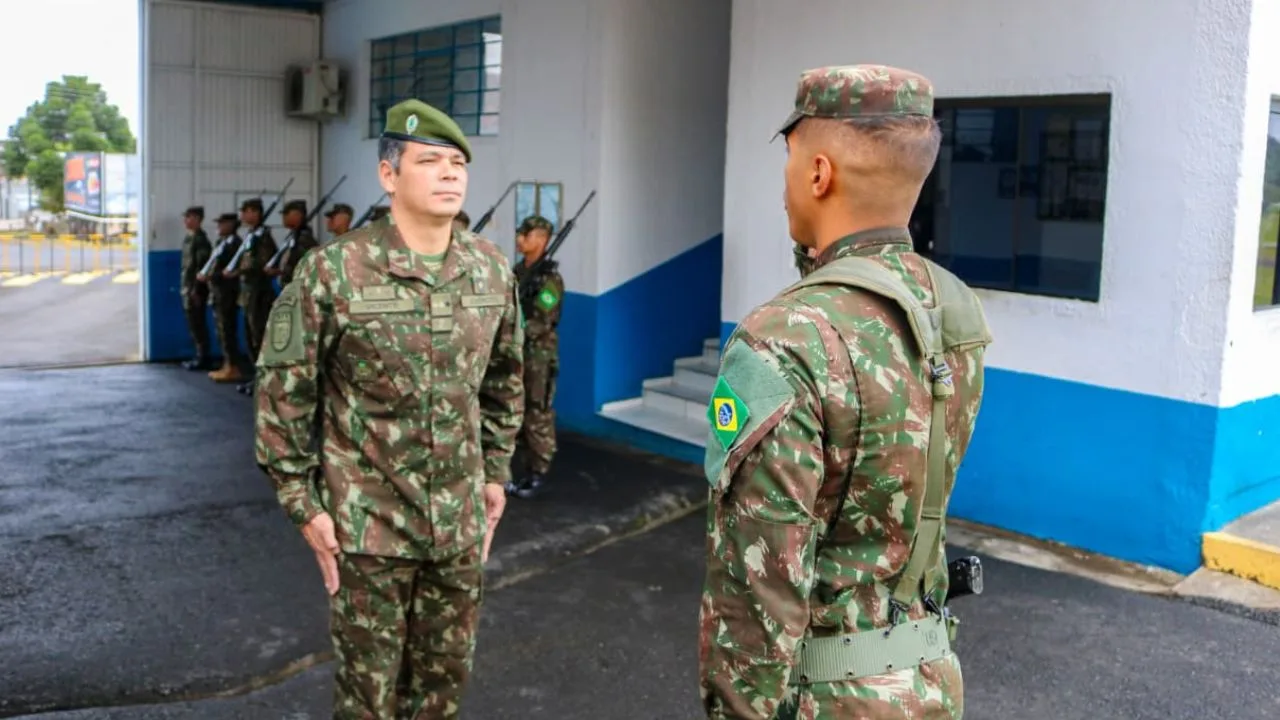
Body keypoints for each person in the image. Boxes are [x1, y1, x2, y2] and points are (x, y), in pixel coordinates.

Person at [698, 64, 993, 719]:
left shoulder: (783, 336)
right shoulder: (955, 310)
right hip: (929, 681)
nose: (784, 185)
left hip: (824, 698)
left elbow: (759, 582)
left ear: (818, 173)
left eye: (788, 161)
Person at [253, 98, 524, 719]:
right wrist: (303, 504)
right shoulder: (333, 272)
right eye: (429, 160)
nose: (450, 173)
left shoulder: (489, 270)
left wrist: (494, 473)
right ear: (388, 174)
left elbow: (508, 378)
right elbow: (282, 393)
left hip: (457, 529)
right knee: (367, 699)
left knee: (442, 690)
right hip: (367, 530)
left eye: (458, 161)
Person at [506, 214, 563, 499]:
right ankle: (519, 468)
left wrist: (514, 333)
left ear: (540, 239)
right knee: (515, 409)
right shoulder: (518, 271)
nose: (519, 239)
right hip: (516, 353)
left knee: (537, 412)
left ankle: (537, 470)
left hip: (538, 357)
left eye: (525, 235)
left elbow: (544, 320)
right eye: (519, 234)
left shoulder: (550, 279)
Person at [203, 212, 245, 383]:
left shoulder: (235, 244)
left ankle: (233, 367)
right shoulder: (222, 242)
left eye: (222, 223)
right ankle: (227, 364)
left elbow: (234, 269)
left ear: (231, 225)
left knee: (227, 330)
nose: (218, 227)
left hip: (227, 293)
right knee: (221, 331)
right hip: (218, 293)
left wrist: (216, 275)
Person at [178, 206, 213, 371]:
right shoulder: (189, 238)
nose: (186, 220)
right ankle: (198, 355)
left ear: (198, 219)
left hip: (195, 290)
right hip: (187, 288)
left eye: (189, 217)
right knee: (192, 323)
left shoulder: (201, 240)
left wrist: (196, 290)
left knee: (198, 323)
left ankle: (203, 357)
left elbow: (201, 267)